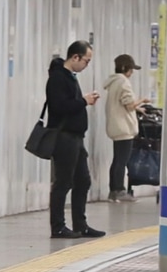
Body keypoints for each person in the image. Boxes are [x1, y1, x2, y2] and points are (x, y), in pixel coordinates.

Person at [46, 40, 106, 239]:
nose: (86, 65)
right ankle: (58, 226)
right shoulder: (58, 78)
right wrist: (83, 101)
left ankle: (80, 224)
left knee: (83, 180)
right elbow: (59, 106)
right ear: (75, 57)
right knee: (63, 182)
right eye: (86, 61)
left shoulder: (70, 77)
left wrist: (83, 100)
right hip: (64, 138)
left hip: (76, 138)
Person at [103, 53, 150, 202]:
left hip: (116, 126)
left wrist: (138, 109)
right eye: (131, 69)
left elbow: (122, 104)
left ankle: (113, 191)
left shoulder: (114, 82)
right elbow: (129, 104)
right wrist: (142, 100)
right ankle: (120, 190)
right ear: (125, 68)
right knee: (122, 161)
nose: (132, 73)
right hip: (124, 128)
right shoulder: (123, 82)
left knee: (117, 160)